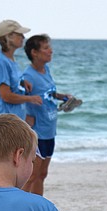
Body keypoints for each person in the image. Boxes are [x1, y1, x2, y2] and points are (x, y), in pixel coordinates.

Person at [21, 34, 75, 196]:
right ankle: (21, 209)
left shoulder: (46, 70)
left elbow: (47, 93)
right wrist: (25, 118)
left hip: (50, 128)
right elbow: (18, 95)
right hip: (36, 132)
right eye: (46, 48)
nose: (50, 51)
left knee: (42, 175)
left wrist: (62, 96)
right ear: (34, 52)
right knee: (31, 176)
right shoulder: (28, 75)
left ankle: (37, 206)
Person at [0, 19, 42, 117]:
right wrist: (31, 99)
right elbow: (6, 96)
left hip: (14, 120)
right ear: (9, 37)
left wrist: (22, 82)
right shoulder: (1, 61)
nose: (23, 37)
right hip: (4, 121)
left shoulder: (10, 59)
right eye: (19, 34)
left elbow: (10, 81)